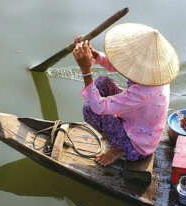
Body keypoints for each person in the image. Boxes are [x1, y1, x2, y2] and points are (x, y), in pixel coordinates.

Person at [72, 23, 180, 166]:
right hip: (141, 124)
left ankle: (119, 148)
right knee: (102, 82)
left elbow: (98, 107)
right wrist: (94, 54)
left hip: (138, 147)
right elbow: (117, 65)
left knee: (90, 110)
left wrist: (85, 70)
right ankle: (119, 140)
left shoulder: (140, 93)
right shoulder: (157, 75)